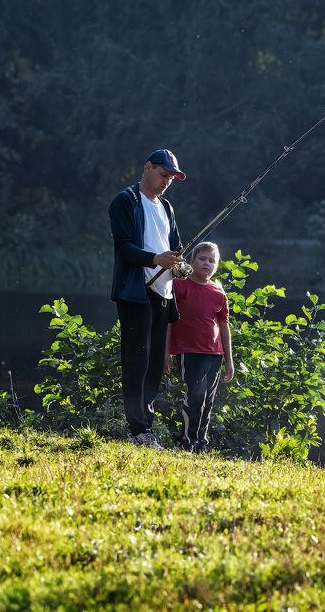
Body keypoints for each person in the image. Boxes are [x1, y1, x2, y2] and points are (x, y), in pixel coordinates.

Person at [109, 148, 186, 449]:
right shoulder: (125, 201)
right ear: (148, 167)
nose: (167, 181)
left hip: (163, 294)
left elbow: (176, 250)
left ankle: (147, 428)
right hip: (135, 293)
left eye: (171, 178)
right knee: (136, 360)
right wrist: (156, 258)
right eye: (163, 174)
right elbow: (124, 249)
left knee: (156, 363)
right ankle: (137, 429)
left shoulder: (166, 208)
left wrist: (180, 268)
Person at [165, 242, 234, 452]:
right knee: (195, 395)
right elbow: (168, 321)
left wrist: (229, 361)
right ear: (192, 261)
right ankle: (187, 441)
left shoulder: (218, 292)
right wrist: (165, 353)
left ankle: (201, 444)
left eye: (212, 261)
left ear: (217, 265)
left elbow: (224, 326)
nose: (207, 264)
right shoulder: (179, 286)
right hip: (189, 352)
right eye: (202, 259)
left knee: (208, 400)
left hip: (214, 354)